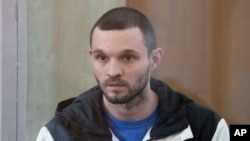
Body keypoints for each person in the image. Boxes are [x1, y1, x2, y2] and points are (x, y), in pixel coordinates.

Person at [36, 7, 229, 141]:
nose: (113, 72)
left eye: (127, 58)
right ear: (91, 57)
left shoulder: (207, 129)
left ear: (154, 59)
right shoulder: (58, 134)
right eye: (102, 58)